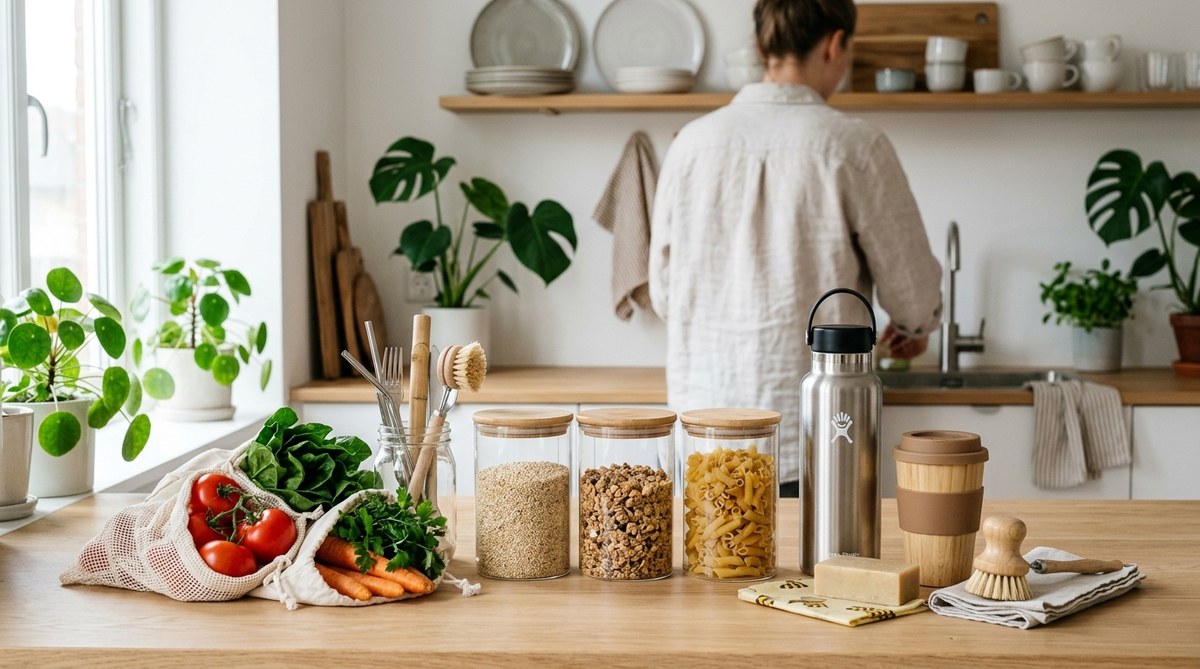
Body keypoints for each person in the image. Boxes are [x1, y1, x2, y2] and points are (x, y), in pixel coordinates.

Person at [648, 0, 943, 497]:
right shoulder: (854, 145)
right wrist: (915, 328)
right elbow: (913, 292)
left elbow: (663, 295)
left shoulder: (691, 144)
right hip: (814, 434)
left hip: (701, 433)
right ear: (834, 44)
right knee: (814, 573)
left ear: (762, 47)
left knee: (708, 570)